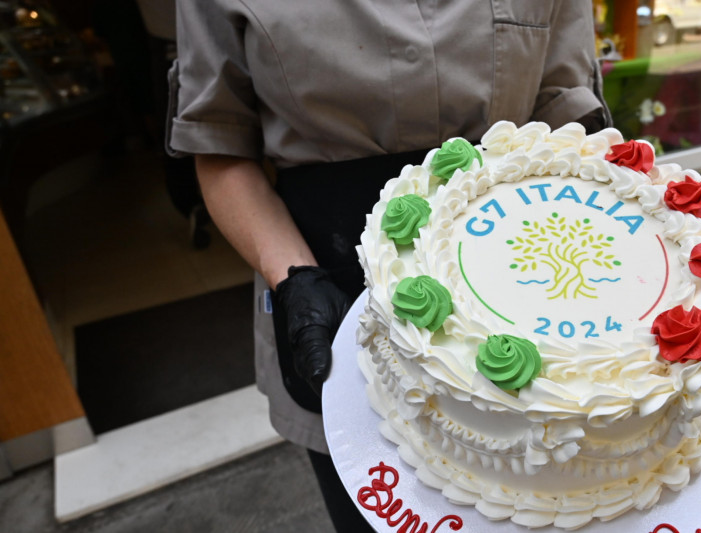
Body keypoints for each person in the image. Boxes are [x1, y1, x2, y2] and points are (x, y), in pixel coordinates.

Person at [167, 1, 610, 530]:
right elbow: (219, 141)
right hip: (333, 284)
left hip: (520, 296)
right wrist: (294, 278)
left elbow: (566, 114)